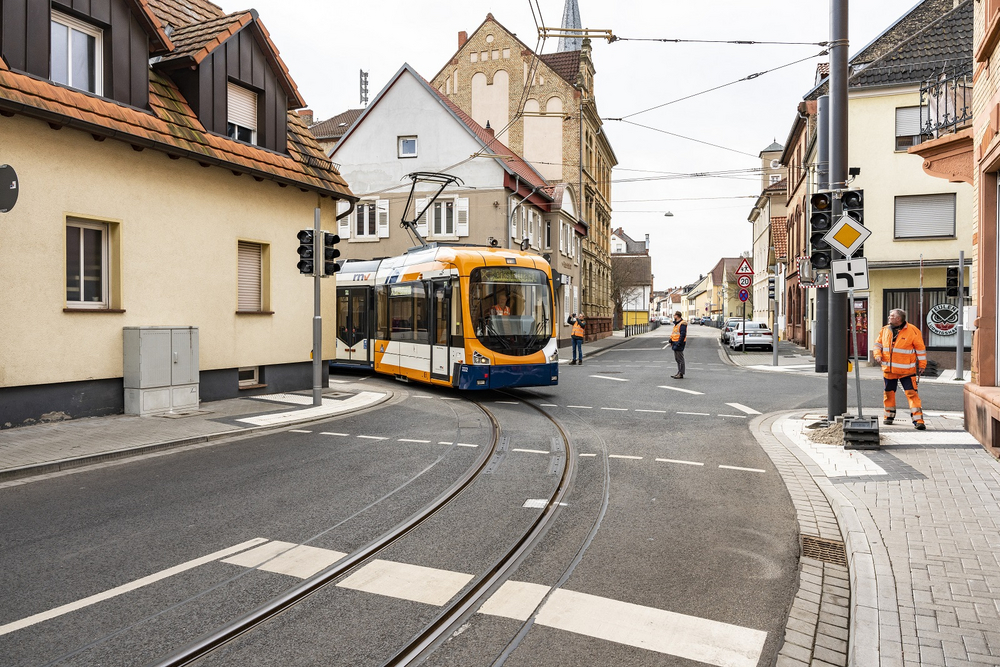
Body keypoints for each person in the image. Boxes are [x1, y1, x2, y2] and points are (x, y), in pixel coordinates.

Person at [873, 308, 927, 430]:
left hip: (907, 371)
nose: (889, 317)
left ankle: (918, 420)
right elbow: (877, 344)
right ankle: (888, 416)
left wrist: (922, 365)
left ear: (898, 318)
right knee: (888, 393)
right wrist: (877, 355)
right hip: (889, 370)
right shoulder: (885, 330)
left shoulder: (913, 331)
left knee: (912, 394)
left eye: (891, 316)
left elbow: (920, 349)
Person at [670, 311, 687, 379]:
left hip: (679, 342)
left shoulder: (682, 324)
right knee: (677, 359)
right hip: (675, 342)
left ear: (677, 316)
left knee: (680, 359)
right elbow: (674, 333)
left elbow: (683, 334)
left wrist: (679, 343)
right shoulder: (677, 324)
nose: (674, 316)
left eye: (674, 315)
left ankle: (681, 373)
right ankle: (679, 372)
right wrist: (671, 340)